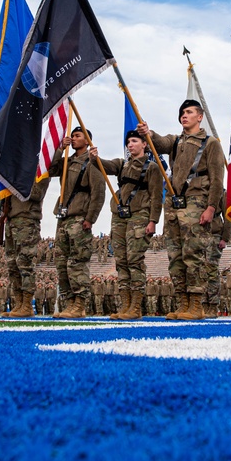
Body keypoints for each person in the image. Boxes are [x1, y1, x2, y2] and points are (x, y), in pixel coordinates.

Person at [139, 99, 226, 320]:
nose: (184, 116)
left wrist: (211, 207)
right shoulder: (176, 141)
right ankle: (183, 303)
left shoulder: (211, 143)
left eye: (189, 112)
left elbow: (217, 179)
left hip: (197, 202)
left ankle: (196, 304)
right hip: (174, 205)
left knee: (193, 254)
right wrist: (148, 132)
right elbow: (158, 142)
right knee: (175, 256)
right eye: (182, 113)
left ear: (200, 116)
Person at [91, 129, 164, 320]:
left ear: (144, 144)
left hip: (139, 216)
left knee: (134, 260)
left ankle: (135, 307)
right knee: (121, 261)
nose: (130, 145)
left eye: (134, 141)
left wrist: (153, 220)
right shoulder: (122, 164)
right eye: (128, 142)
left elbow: (157, 196)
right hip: (119, 216)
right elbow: (104, 166)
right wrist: (94, 158)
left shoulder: (151, 167)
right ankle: (125, 305)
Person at [48, 126, 106, 319]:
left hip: (80, 217)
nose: (73, 139)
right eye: (72, 136)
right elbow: (50, 169)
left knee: (77, 262)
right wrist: (59, 149)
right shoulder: (67, 161)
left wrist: (91, 218)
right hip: (63, 217)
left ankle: (79, 303)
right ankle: (69, 302)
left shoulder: (92, 163)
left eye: (77, 136)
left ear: (87, 140)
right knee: (61, 262)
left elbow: (98, 193)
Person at [1, 176, 48, 318]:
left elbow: (36, 193)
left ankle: (27, 305)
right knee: (12, 265)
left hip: (27, 220)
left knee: (24, 264)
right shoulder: (14, 171)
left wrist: (16, 181)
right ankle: (19, 303)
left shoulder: (40, 170)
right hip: (11, 219)